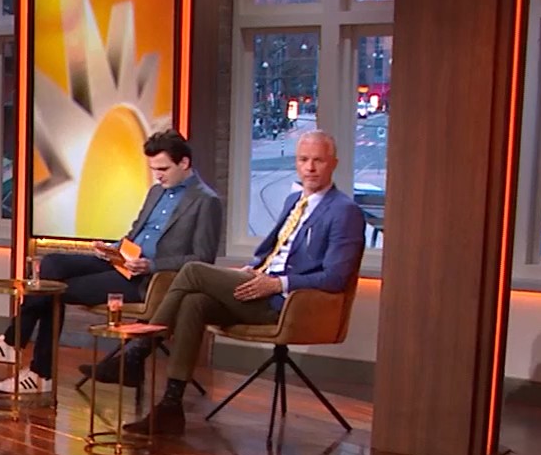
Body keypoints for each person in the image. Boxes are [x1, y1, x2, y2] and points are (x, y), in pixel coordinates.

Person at [118, 131, 365, 437]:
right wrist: (254, 267)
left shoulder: (344, 211)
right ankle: (171, 407)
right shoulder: (294, 199)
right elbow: (272, 251)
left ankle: (141, 347)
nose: (310, 168)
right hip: (258, 286)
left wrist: (278, 284)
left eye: (318, 161)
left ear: (334, 164)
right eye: (303, 160)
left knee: (193, 270)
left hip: (287, 303)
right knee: (194, 302)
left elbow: (336, 278)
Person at [0, 129, 222, 393]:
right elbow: (136, 233)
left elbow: (202, 259)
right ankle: (15, 347)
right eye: (153, 169)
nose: (157, 175)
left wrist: (151, 265)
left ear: (184, 163)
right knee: (52, 263)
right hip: (123, 262)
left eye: (163, 169)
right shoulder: (156, 191)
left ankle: (35, 368)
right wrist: (113, 248)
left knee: (53, 291)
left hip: (149, 279)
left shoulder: (206, 202)